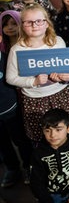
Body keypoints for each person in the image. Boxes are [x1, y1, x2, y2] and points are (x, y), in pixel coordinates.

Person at [6, 4, 69, 143]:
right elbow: (10, 77)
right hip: (34, 100)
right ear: (22, 25)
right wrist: (33, 82)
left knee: (68, 133)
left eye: (39, 21)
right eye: (29, 22)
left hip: (61, 95)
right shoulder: (17, 49)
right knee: (41, 136)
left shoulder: (58, 42)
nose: (35, 25)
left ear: (47, 23)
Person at [0, 11, 33, 189]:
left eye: (13, 23)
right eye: (5, 25)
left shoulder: (10, 54)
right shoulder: (4, 48)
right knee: (3, 141)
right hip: (10, 97)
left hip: (16, 98)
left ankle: (28, 165)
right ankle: (12, 167)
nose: (10, 28)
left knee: (20, 136)